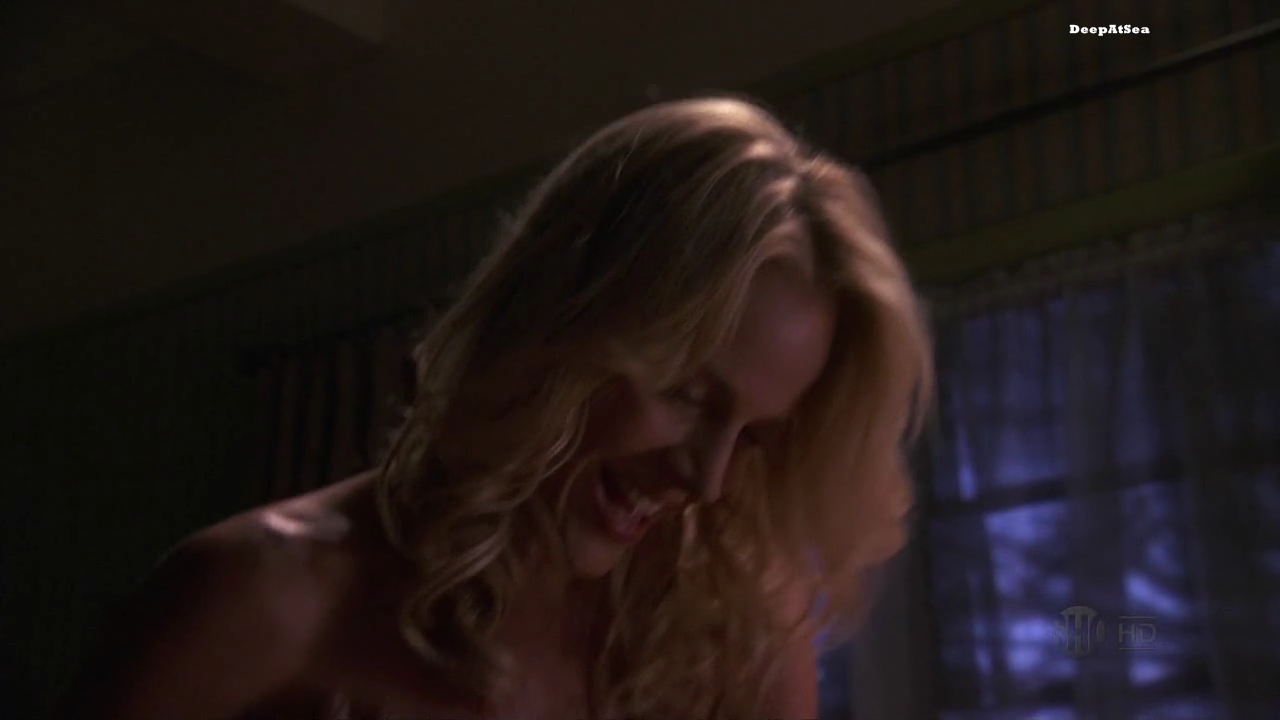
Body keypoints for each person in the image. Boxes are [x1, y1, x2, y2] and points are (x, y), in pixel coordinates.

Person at [59, 96, 933, 720]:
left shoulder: (735, 631)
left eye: (755, 436)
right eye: (685, 395)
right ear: (566, 315)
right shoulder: (261, 600)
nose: (705, 479)